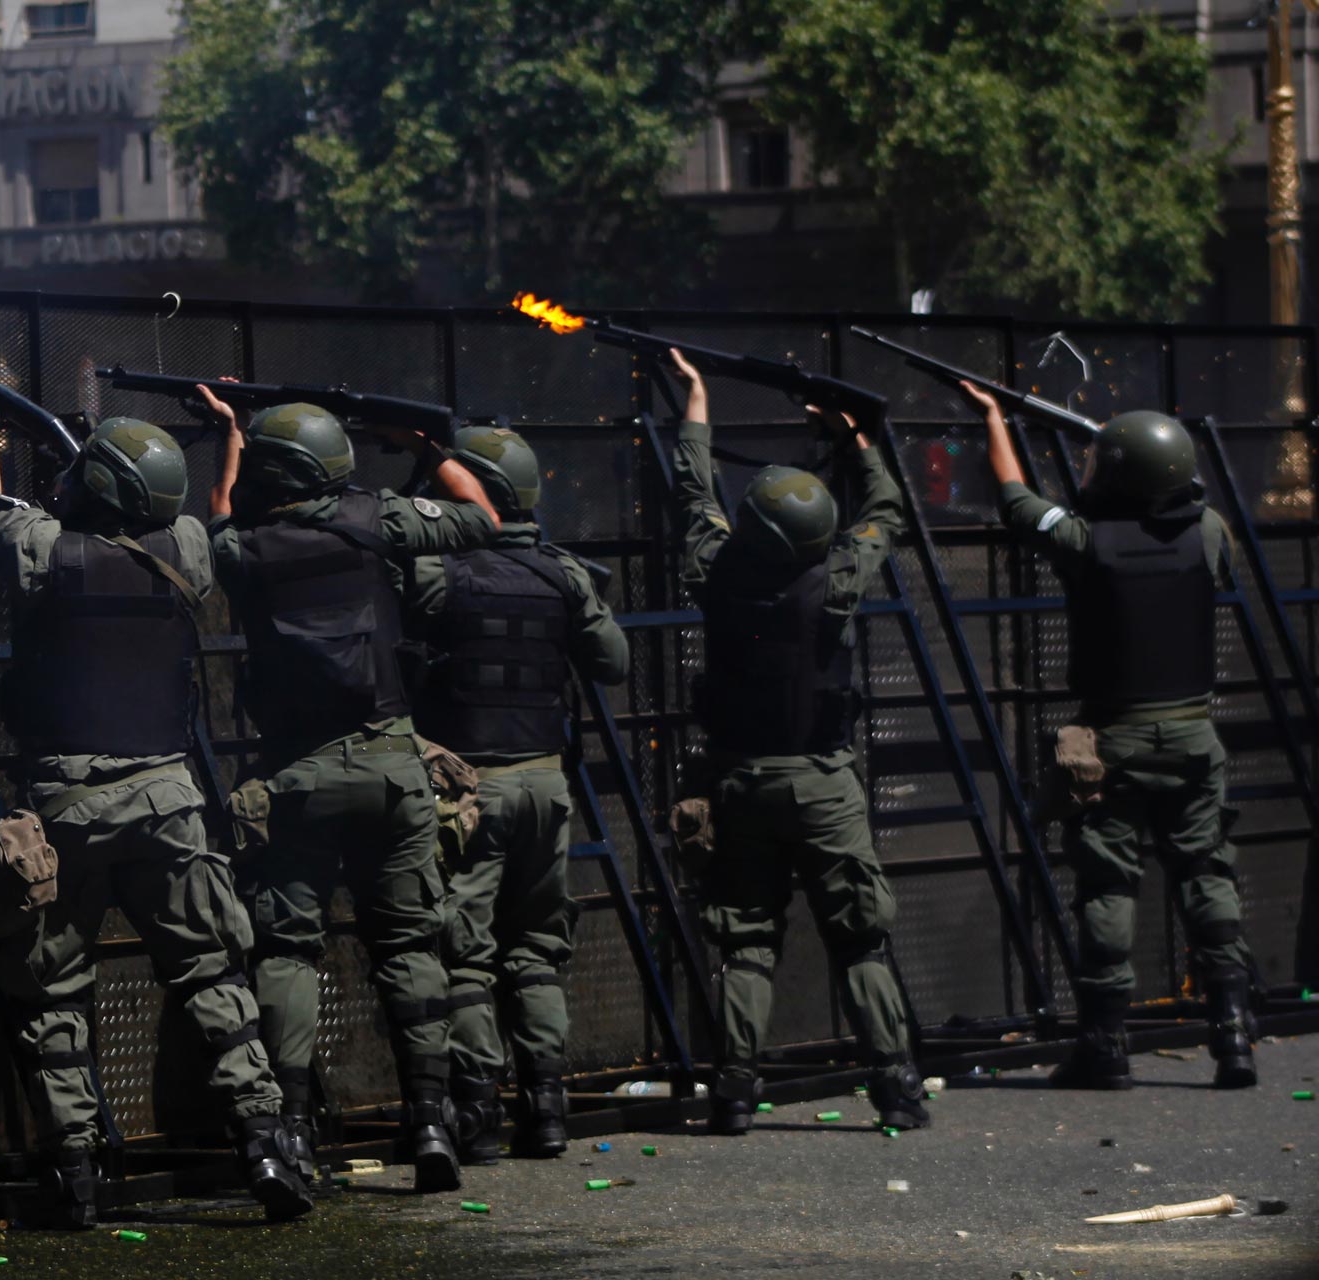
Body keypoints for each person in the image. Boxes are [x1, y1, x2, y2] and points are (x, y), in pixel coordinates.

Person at [0, 374, 314, 1223]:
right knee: (212, 977)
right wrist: (229, 430)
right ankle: (266, 1143)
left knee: (54, 990)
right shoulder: (186, 549)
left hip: (66, 801)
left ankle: (75, 1171)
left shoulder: (46, 549)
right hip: (168, 798)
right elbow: (219, 503)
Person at [204, 387, 501, 1192]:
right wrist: (424, 444)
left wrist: (230, 439)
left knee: (290, 949)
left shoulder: (246, 547)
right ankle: (433, 1122)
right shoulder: (380, 520)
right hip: (391, 765)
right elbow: (482, 518)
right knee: (409, 945)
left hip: (298, 775)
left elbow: (218, 517)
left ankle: (292, 1129)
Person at [960, 385, 1258, 1090]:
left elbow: (1014, 498)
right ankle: (1234, 1033)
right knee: (1207, 876)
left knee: (1107, 888)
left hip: (1115, 739)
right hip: (1192, 735)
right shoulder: (1209, 529)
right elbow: (1179, 505)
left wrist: (995, 420)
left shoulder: (1087, 542)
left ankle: (1104, 1044)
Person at [666, 349, 929, 1137]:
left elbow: (692, 494)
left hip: (740, 782)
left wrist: (697, 407)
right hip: (823, 783)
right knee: (860, 940)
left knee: (746, 944)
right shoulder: (842, 574)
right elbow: (886, 508)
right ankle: (897, 1088)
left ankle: (736, 1091)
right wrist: (854, 438)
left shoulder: (716, 570)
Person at [407, 426, 628, 1163]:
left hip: (471, 791)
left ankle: (477, 1110)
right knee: (534, 950)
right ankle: (549, 1105)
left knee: (466, 954)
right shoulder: (563, 572)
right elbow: (613, 661)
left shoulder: (445, 572)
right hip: (546, 782)